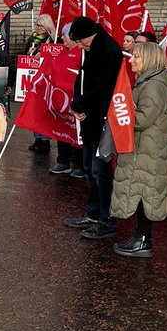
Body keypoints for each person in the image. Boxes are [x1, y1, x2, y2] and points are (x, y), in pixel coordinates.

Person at [111, 41, 167, 258]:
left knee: (144, 196)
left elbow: (141, 120)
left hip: (146, 151)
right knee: (142, 193)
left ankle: (143, 240)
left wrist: (120, 109)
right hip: (145, 149)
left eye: (135, 57)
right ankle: (140, 238)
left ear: (148, 59)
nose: (131, 60)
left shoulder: (153, 85)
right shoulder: (149, 81)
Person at [64, 15, 124, 240]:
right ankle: (93, 212)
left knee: (100, 170)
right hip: (89, 116)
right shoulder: (91, 50)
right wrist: (76, 103)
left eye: (81, 41)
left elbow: (103, 88)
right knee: (89, 168)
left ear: (92, 34)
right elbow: (81, 79)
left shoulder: (108, 51)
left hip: (102, 118)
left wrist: (81, 103)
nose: (80, 46)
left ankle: (106, 219)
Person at [49, 27, 84, 177]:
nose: (62, 38)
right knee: (62, 132)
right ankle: (63, 162)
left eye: (64, 35)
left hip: (74, 100)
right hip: (61, 100)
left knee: (76, 132)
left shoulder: (82, 53)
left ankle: (79, 165)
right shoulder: (63, 51)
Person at [25, 14, 56, 153]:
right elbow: (24, 56)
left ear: (47, 26)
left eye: (41, 26)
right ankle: (37, 137)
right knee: (35, 110)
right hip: (33, 77)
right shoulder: (32, 38)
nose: (38, 28)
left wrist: (42, 54)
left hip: (48, 79)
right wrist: (29, 53)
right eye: (37, 25)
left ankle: (45, 140)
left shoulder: (53, 40)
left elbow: (55, 57)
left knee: (45, 111)